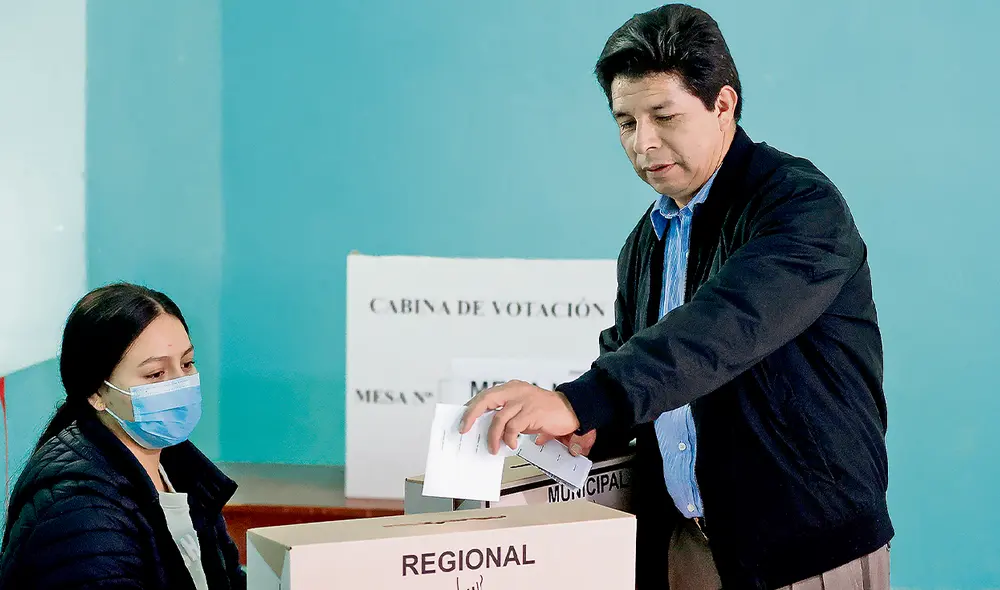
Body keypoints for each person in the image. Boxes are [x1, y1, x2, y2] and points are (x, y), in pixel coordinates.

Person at [460, 4, 892, 589]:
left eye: (664, 116)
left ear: (723, 105)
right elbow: (634, 359)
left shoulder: (800, 207)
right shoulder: (646, 240)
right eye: (625, 122)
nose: (644, 143)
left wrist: (583, 400)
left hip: (806, 553)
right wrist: (593, 425)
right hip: (689, 545)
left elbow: (723, 329)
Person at [0, 283, 245, 590]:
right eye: (155, 374)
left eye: (186, 363)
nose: (180, 383)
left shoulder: (179, 470)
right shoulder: (80, 512)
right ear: (96, 393)